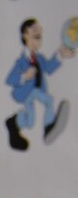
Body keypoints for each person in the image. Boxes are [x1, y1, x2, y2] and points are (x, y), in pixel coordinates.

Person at [5, 16, 73, 151]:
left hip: (36, 92)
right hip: (26, 92)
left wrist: (61, 55)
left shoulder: (39, 58)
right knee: (48, 101)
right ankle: (48, 127)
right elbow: (10, 80)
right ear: (25, 35)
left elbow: (48, 68)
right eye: (35, 34)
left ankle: (14, 122)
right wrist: (24, 76)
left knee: (30, 122)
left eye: (40, 36)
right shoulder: (21, 61)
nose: (39, 38)